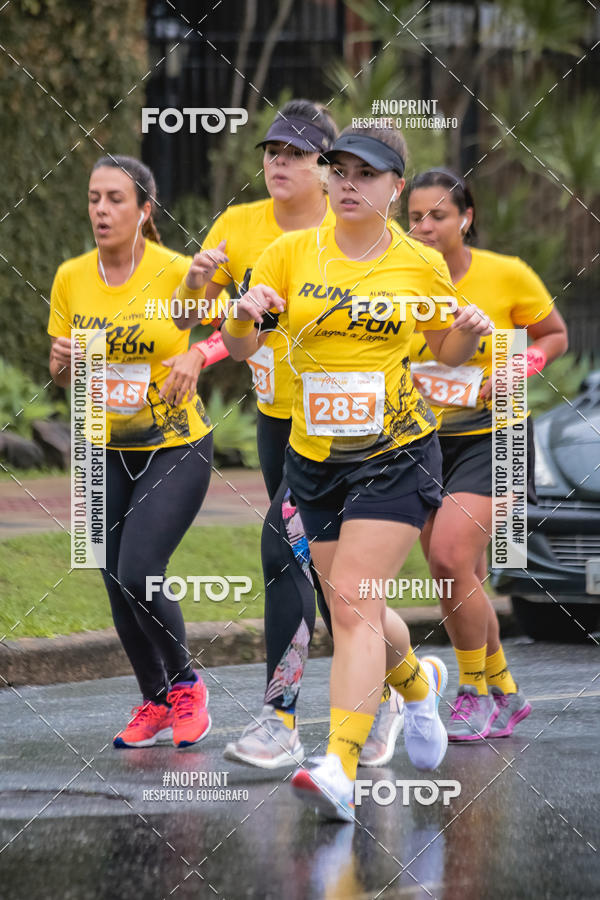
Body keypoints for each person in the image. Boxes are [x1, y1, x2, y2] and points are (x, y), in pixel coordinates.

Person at [222, 124, 493, 821]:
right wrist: (243, 317)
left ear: (395, 189)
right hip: (313, 459)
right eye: (338, 170)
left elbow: (447, 353)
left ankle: (339, 764)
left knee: (352, 603)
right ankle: (418, 682)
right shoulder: (289, 254)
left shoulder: (417, 263)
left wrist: (470, 329)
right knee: (356, 606)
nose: (347, 183)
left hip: (396, 453)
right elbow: (241, 343)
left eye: (365, 174)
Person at [168, 100, 405, 769]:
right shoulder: (240, 226)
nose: (280, 163)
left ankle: (280, 720)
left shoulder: (351, 228)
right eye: (274, 151)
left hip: (344, 434)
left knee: (283, 550)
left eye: (299, 154)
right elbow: (201, 317)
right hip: (279, 422)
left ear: (328, 169)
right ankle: (399, 686)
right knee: (324, 573)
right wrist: (195, 289)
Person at [48, 155, 228, 749]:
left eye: (116, 199)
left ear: (145, 210)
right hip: (101, 444)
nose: (102, 209)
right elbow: (59, 366)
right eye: (95, 197)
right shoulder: (71, 275)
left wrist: (197, 346)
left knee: (138, 571)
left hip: (174, 443)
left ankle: (186, 687)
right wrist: (65, 363)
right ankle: (153, 701)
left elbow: (194, 318)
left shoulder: (179, 270)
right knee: (111, 581)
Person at [407, 168, 568, 740]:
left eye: (438, 215)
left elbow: (553, 333)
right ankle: (505, 689)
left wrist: (520, 366)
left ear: (466, 218)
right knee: (456, 575)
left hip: (494, 435)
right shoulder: (398, 278)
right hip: (424, 440)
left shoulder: (505, 274)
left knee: (451, 559)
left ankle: (472, 691)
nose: (424, 227)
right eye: (415, 217)